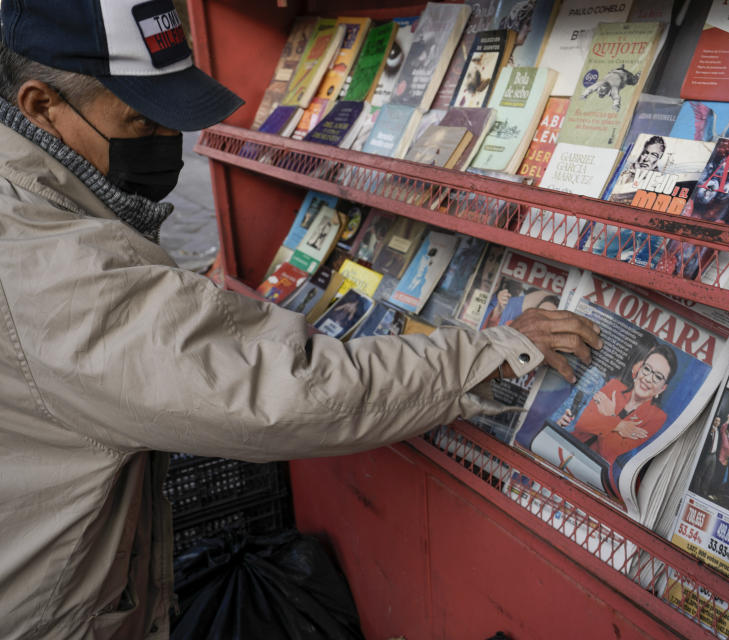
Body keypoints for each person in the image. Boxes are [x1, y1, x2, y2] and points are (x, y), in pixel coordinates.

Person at [0, 3, 603, 639]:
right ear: (41, 105)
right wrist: (486, 352)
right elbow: (281, 390)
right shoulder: (51, 266)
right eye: (143, 121)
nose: (164, 146)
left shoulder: (38, 202)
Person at [558, 343, 677, 465]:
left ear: (662, 388)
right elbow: (582, 424)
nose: (648, 378)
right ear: (639, 369)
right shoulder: (615, 386)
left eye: (657, 376)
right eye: (647, 369)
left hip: (594, 468)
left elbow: (608, 452)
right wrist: (618, 426)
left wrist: (610, 415)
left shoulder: (656, 418)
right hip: (565, 447)